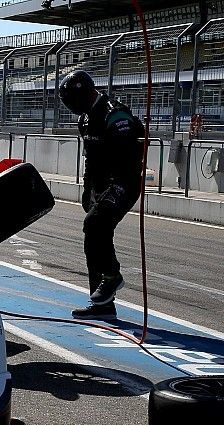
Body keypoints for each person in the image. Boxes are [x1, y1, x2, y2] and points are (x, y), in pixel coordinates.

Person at [59, 70, 144, 320]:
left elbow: (130, 159)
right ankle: (103, 306)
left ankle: (112, 276)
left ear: (84, 93)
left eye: (72, 100)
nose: (71, 106)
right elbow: (90, 159)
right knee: (93, 237)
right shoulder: (84, 120)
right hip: (100, 185)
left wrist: (114, 187)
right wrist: (87, 189)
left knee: (94, 225)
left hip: (123, 182)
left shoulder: (114, 114)